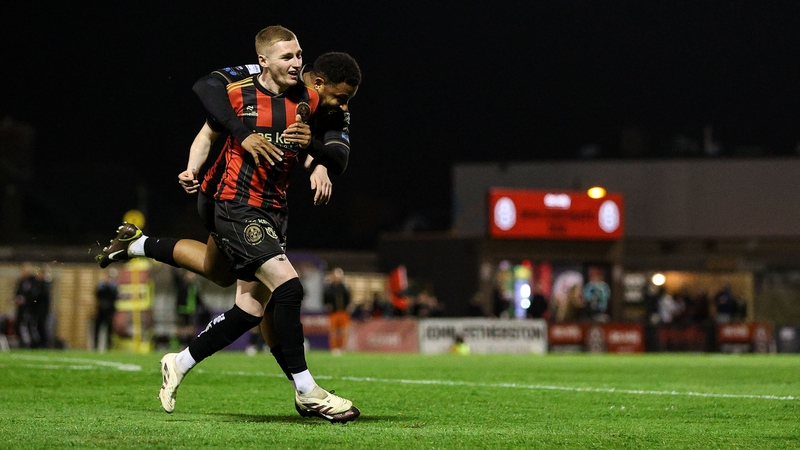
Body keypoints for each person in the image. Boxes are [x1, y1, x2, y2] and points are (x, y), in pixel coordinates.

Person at [94, 27, 361, 423]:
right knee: (287, 286)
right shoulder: (241, 90)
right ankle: (307, 390)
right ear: (268, 61)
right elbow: (207, 113)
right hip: (231, 200)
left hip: (273, 206)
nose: (296, 62)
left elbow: (333, 154)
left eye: (299, 55)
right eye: (288, 57)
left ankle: (174, 345)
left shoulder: (313, 103)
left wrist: (315, 158)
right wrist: (196, 166)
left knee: (244, 297)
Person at [323, 267, 352, 355]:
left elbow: (348, 299)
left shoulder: (344, 287)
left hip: (343, 312)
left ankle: (342, 348)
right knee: (333, 331)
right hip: (333, 312)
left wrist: (349, 306)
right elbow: (325, 299)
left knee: (344, 331)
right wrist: (327, 305)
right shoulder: (329, 288)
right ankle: (334, 348)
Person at [94, 269, 119, 352]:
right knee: (97, 328)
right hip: (101, 310)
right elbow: (97, 295)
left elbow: (115, 297)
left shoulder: (114, 287)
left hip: (110, 311)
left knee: (109, 330)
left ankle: (108, 347)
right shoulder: (102, 286)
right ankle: (96, 347)